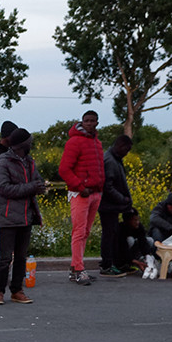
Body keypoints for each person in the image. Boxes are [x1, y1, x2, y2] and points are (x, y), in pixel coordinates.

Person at [0, 126, 44, 306]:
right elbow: (3, 188)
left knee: (21, 256)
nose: (31, 144)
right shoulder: (3, 162)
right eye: (29, 142)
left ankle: (17, 290)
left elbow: (37, 179)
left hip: (26, 216)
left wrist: (40, 186)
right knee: (6, 258)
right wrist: (31, 187)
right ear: (21, 144)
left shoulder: (29, 161)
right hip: (8, 216)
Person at [58, 110, 105, 284]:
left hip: (95, 193)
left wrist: (99, 188)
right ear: (82, 122)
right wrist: (79, 186)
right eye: (87, 121)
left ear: (97, 122)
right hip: (81, 193)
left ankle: (75, 267)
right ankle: (78, 269)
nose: (90, 123)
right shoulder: (74, 142)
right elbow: (64, 169)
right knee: (79, 232)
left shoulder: (97, 143)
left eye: (93, 121)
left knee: (85, 232)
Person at [98, 133, 135, 277]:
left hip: (113, 205)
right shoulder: (110, 160)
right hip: (109, 206)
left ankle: (116, 263)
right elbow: (107, 186)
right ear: (120, 146)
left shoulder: (115, 158)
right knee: (109, 235)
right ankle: (107, 265)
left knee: (114, 234)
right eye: (127, 150)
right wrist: (123, 199)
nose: (127, 154)